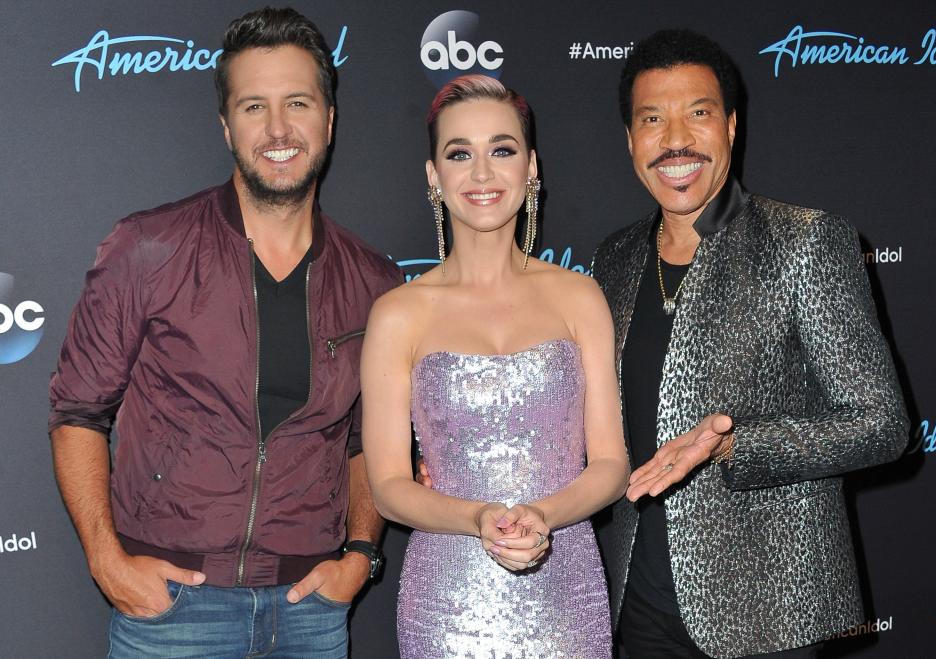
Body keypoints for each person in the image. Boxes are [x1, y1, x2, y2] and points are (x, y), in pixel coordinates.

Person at [48, 7, 400, 657]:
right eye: (252, 107)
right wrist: (105, 558)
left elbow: (367, 442)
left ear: (328, 118)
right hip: (172, 608)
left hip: (311, 611)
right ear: (225, 126)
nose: (277, 129)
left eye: (297, 102)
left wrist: (359, 555)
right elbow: (77, 411)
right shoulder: (146, 247)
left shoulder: (376, 281)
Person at [590, 29, 910, 658]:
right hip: (639, 599)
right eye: (652, 119)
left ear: (731, 128)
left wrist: (737, 445)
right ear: (630, 140)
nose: (675, 139)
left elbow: (883, 425)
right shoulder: (616, 257)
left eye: (698, 114)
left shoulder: (804, 242)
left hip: (768, 610)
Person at [361, 74, 629, 658]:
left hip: (567, 595)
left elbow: (610, 464)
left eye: (501, 150)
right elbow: (387, 488)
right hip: (447, 607)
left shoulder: (580, 297)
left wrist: (543, 515)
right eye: (460, 153)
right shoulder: (397, 315)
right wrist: (478, 516)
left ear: (531, 168)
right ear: (434, 177)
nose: (482, 174)